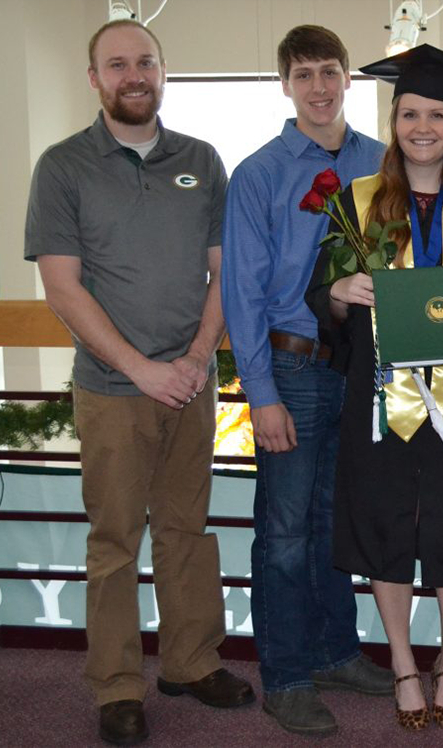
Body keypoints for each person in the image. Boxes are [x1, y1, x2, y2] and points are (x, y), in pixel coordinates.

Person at [24, 19, 254, 746]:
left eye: (146, 62)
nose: (134, 74)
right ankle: (117, 686)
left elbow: (225, 271)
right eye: (117, 63)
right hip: (112, 391)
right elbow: (62, 288)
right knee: (115, 542)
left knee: (188, 532)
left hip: (189, 387)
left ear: (163, 72)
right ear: (93, 77)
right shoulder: (63, 167)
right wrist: (142, 369)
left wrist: (194, 358)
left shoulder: (202, 159)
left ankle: (190, 661)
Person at [305, 44, 443, 731]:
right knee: (385, 526)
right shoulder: (357, 200)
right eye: (408, 114)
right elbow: (323, 297)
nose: (422, 126)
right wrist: (338, 291)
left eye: (435, 114)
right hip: (381, 399)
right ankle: (402, 663)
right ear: (393, 121)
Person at [220, 24, 392, 736]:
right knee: (284, 531)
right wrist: (259, 394)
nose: (318, 86)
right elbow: (241, 292)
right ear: (285, 84)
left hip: (360, 367)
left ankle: (335, 650)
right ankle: (285, 676)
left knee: (333, 522)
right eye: (304, 74)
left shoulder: (381, 159)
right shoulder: (259, 172)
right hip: (290, 366)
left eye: (329, 71)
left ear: (348, 78)